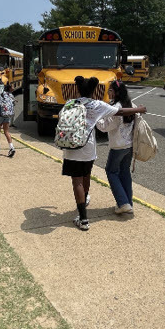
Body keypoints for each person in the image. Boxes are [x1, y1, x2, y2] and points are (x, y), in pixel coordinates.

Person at [63, 76, 146, 231]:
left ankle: (84, 217)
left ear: (78, 90)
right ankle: (125, 202)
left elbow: (105, 125)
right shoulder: (98, 105)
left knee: (78, 181)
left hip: (72, 147)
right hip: (90, 149)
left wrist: (98, 122)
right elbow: (121, 112)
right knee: (90, 176)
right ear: (94, 90)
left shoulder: (70, 103)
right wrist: (139, 109)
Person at [96, 80, 135, 214]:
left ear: (117, 92)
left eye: (110, 90)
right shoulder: (131, 105)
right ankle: (128, 203)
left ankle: (123, 203)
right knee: (125, 173)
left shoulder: (116, 108)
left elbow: (104, 127)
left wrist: (97, 118)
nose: (108, 93)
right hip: (129, 146)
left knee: (111, 172)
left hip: (118, 147)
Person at [0, 81, 16, 158]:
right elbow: (13, 103)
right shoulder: (9, 94)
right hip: (7, 115)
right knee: (6, 131)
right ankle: (11, 147)